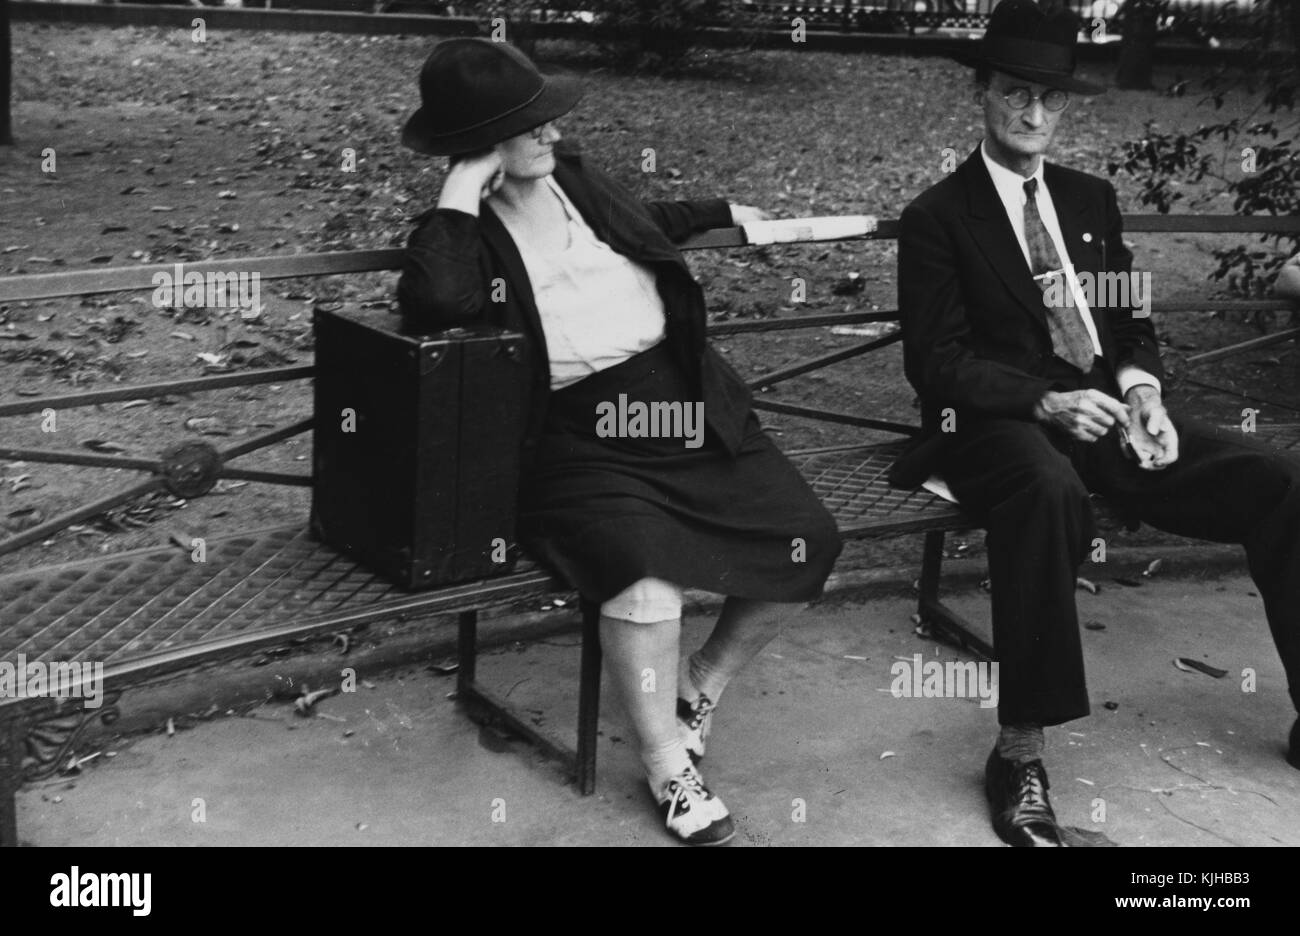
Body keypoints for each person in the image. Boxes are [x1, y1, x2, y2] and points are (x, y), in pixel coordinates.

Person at [396, 38, 842, 846]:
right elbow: (436, 299)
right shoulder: (463, 232)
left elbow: (643, 227)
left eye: (547, 118)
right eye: (528, 124)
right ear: (479, 142)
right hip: (578, 437)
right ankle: (671, 767)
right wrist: (461, 189)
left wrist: (718, 211)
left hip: (678, 409)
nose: (551, 133)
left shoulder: (572, 180)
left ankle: (697, 685)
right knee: (644, 578)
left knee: (811, 541)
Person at [891, 0, 1300, 847]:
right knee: (1044, 490)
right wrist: (1043, 402)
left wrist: (1144, 391)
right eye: (1014, 94)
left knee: (1277, 479)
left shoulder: (1089, 200)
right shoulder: (938, 217)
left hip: (1105, 414)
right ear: (983, 93)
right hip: (995, 422)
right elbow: (937, 363)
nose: (1032, 115)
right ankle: (1019, 754)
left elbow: (1129, 323)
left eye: (1048, 98)